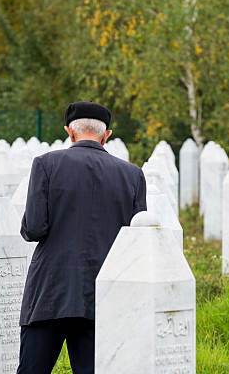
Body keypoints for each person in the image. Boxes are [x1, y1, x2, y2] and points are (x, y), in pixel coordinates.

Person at [17, 101, 147, 374]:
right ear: (106, 135)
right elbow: (136, 241)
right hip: (102, 293)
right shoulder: (133, 175)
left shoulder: (45, 164)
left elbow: (35, 228)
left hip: (50, 292)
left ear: (70, 132)